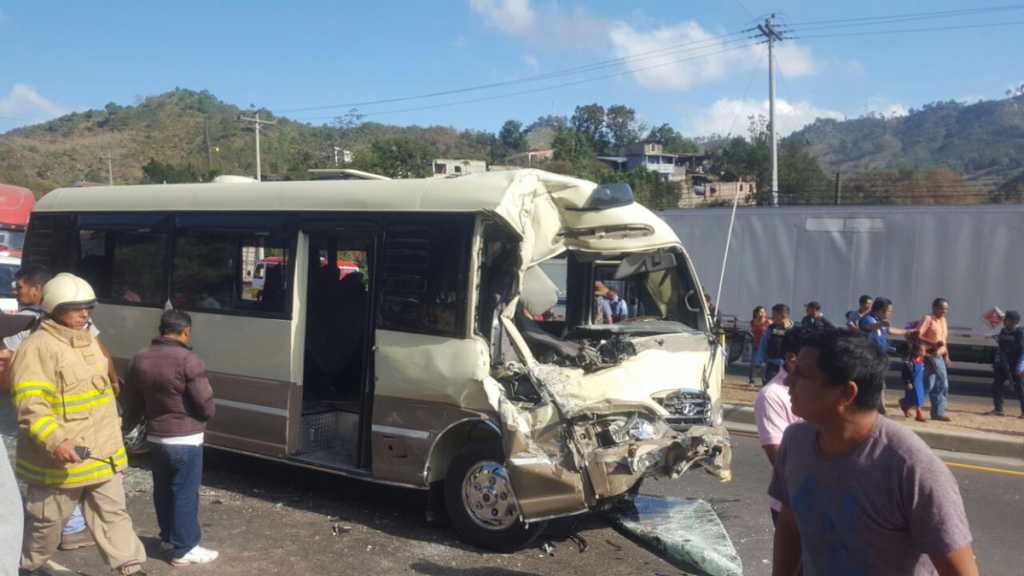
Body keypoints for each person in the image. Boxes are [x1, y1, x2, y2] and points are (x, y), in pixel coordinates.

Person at [770, 329, 977, 576]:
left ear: (847, 393)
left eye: (801, 375)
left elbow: (960, 571)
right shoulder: (795, 442)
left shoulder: (911, 466)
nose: (786, 381)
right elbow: (790, 523)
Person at [10, 273, 147, 575]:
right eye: (77, 308)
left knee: (114, 515)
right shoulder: (37, 348)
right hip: (62, 463)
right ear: (56, 308)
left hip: (102, 454)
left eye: (89, 308)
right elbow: (31, 406)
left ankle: (131, 568)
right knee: (46, 525)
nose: (85, 314)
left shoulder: (89, 341)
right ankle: (28, 568)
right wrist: (57, 441)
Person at [1, 266, 97, 552]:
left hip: (54, 415)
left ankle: (65, 529)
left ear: (38, 289)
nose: (16, 293)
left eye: (20, 287)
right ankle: (64, 530)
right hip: (46, 416)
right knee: (54, 474)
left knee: (56, 474)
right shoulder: (32, 323)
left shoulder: (38, 323)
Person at [123, 310, 219, 566]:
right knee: (186, 493)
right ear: (186, 331)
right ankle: (184, 548)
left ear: (161, 329)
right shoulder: (189, 360)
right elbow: (204, 403)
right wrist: (207, 415)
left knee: (163, 490)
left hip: (157, 437)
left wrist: (127, 427)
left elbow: (131, 402)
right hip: (186, 438)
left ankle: (168, 538)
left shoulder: (139, 359)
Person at [753, 326, 804, 525]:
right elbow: (780, 458)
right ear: (792, 358)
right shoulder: (772, 395)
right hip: (794, 505)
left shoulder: (819, 389)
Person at [858, 297, 911, 415]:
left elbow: (890, 330)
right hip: (869, 358)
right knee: (875, 383)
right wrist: (880, 324)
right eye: (889, 311)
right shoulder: (868, 319)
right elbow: (870, 326)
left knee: (878, 383)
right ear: (880, 310)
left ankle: (877, 409)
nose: (890, 314)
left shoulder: (879, 321)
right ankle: (878, 410)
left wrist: (907, 332)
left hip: (879, 357)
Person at [917, 298, 953, 422]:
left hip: (939, 356)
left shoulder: (943, 321)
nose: (944, 311)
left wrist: (946, 356)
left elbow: (944, 340)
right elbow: (918, 335)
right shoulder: (928, 319)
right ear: (934, 307)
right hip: (930, 355)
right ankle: (938, 412)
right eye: (942, 308)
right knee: (942, 383)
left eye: (946, 309)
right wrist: (933, 343)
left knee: (928, 384)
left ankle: (908, 403)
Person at [987, 310, 1024, 417]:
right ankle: (998, 409)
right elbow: (1002, 347)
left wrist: (1019, 366)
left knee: (1020, 388)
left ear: (1014, 321)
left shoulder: (1020, 332)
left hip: (1016, 364)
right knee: (996, 385)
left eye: (1007, 320)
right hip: (1004, 363)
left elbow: (1021, 349)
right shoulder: (1003, 331)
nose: (1004, 322)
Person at [754, 304, 792, 385]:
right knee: (769, 386)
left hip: (788, 367)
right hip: (772, 366)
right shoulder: (771, 328)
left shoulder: (793, 330)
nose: (772, 317)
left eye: (774, 315)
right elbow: (763, 345)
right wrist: (759, 363)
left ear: (783, 315)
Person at [900, 337, 929, 422]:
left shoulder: (922, 360)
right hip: (912, 383)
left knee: (916, 398)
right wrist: (908, 382)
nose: (925, 352)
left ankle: (905, 405)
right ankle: (919, 415)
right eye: (923, 351)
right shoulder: (909, 363)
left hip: (919, 383)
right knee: (915, 398)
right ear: (918, 351)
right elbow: (905, 374)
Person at [748, 306, 770, 385]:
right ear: (756, 313)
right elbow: (751, 331)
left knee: (764, 364)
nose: (762, 314)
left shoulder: (768, 322)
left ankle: (764, 380)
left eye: (763, 312)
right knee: (753, 363)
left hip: (765, 346)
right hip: (756, 344)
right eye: (760, 312)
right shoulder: (753, 322)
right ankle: (752, 380)